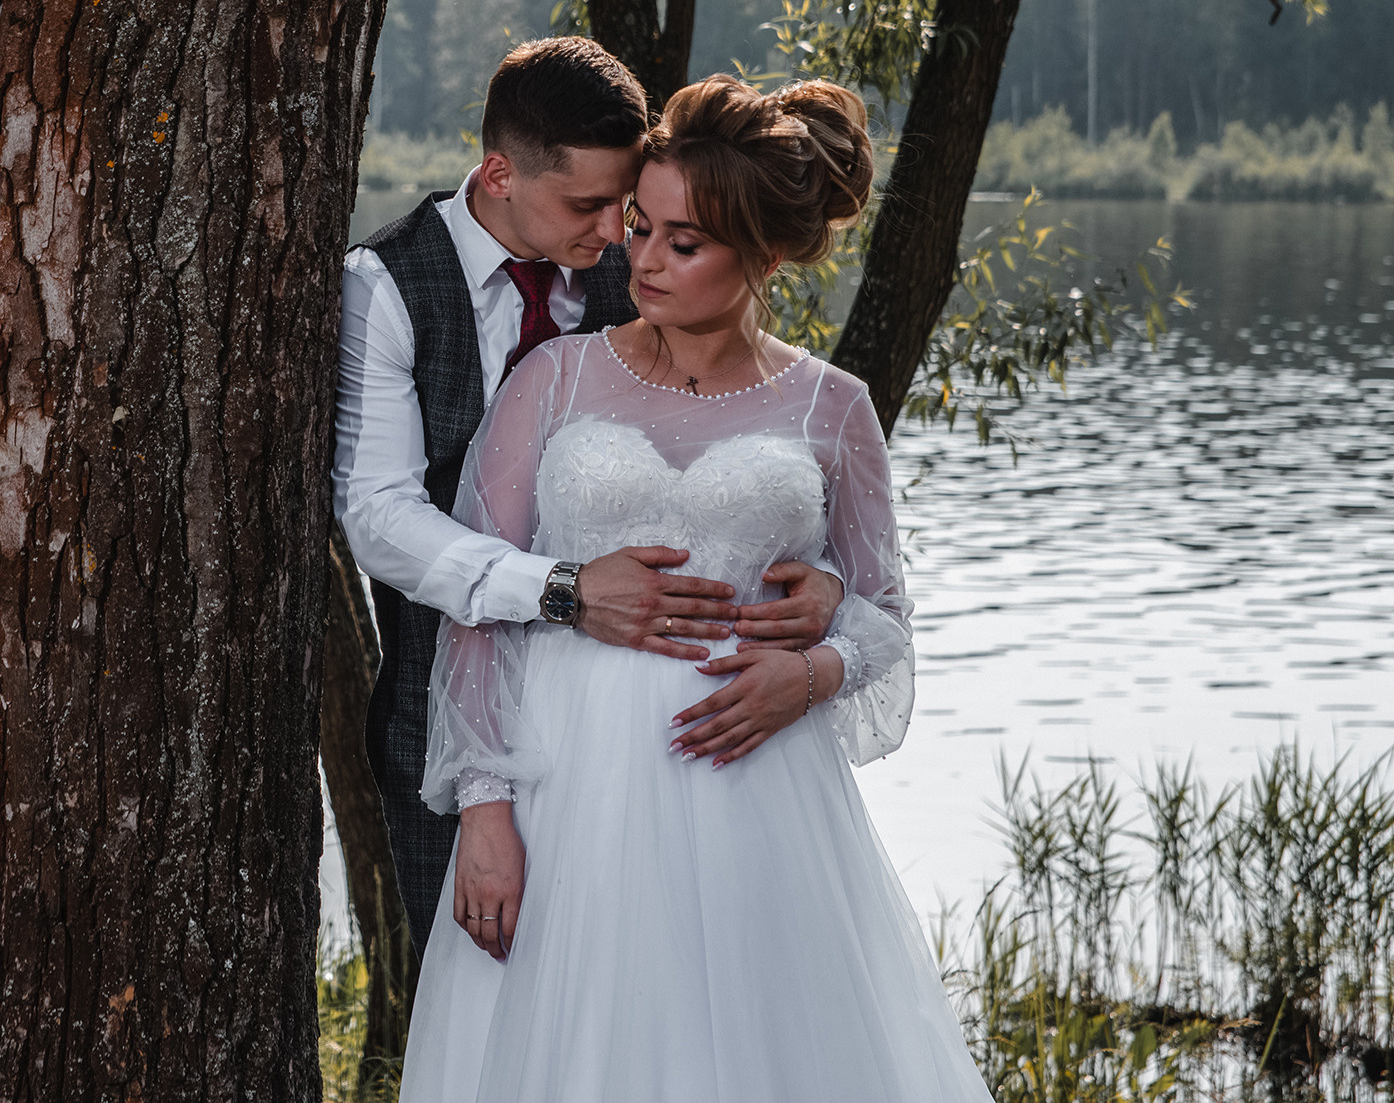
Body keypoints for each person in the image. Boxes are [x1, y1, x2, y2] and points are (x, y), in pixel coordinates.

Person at [397, 74, 994, 1103]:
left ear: (762, 256)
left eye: (686, 241)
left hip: (753, 789)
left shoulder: (832, 407)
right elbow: (477, 605)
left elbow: (882, 616)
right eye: (642, 226)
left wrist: (810, 672)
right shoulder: (554, 378)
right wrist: (483, 812)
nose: (644, 258)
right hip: (562, 789)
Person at [332, 38, 843, 956]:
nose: (617, 233)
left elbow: (747, 438)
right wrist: (562, 588)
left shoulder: (645, 272)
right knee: (489, 1013)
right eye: (588, 205)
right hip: (446, 721)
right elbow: (377, 515)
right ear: (497, 172)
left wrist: (827, 585)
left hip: (665, 743)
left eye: (630, 206)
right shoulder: (386, 287)